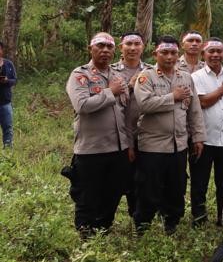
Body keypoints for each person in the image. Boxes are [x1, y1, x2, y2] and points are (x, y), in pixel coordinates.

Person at [134, 35, 206, 233]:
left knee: (177, 185)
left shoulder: (185, 77)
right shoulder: (146, 76)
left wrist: (198, 136)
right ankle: (143, 225)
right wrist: (172, 97)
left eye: (173, 52)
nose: (169, 56)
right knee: (149, 187)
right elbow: (145, 104)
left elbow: (194, 110)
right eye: (164, 52)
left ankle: (171, 222)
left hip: (179, 144)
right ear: (155, 53)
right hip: (152, 145)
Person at [65, 32, 133, 236]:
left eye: (109, 47)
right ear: (90, 49)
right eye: (100, 46)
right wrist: (110, 92)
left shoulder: (118, 76)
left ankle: (104, 227)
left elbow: (125, 111)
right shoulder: (80, 75)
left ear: (114, 51)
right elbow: (82, 105)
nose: (105, 50)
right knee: (87, 193)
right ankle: (85, 231)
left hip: (117, 147)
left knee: (112, 192)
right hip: (91, 148)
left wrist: (129, 144)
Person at [189, 37, 223, 226]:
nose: (215, 54)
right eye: (211, 51)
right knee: (199, 181)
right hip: (203, 139)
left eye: (219, 51)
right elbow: (203, 102)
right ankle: (199, 217)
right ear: (204, 54)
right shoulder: (196, 77)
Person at [113, 31, 150, 216]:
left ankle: (141, 215)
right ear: (121, 47)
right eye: (129, 44)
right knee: (124, 177)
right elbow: (108, 97)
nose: (133, 48)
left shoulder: (151, 70)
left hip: (147, 134)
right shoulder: (111, 71)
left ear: (143, 47)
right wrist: (129, 85)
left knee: (145, 178)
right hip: (119, 134)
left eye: (137, 44)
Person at [0, 40, 17, 148]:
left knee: (8, 128)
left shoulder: (8, 64)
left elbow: (14, 80)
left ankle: (7, 154)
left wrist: (6, 81)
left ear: (2, 50)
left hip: (5, 102)